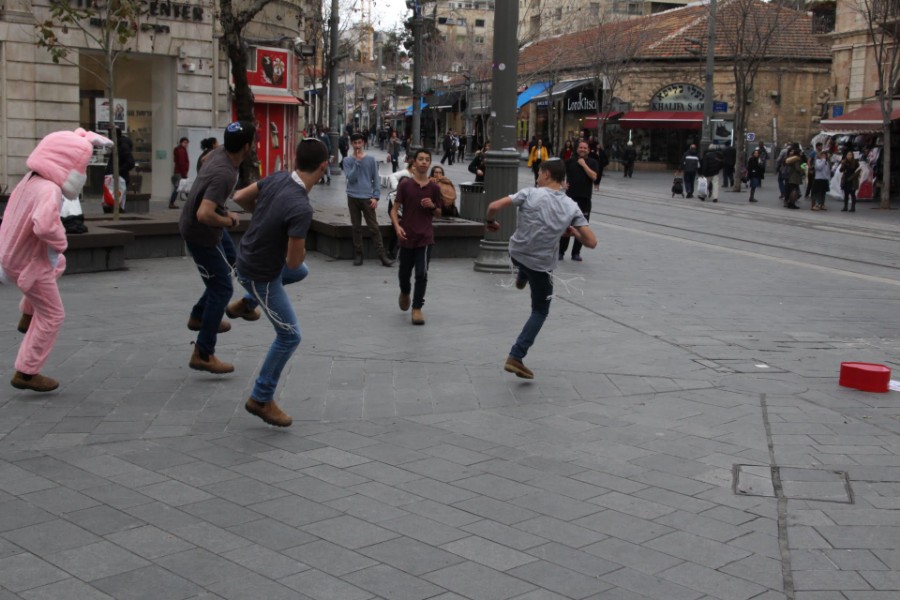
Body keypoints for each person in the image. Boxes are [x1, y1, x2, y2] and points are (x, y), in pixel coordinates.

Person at [0, 128, 111, 392]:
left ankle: (28, 314)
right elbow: (45, 226)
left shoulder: (30, 179)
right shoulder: (49, 189)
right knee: (53, 315)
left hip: (12, 254)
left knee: (57, 264)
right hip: (29, 262)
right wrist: (61, 241)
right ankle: (27, 371)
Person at [226, 139, 326, 427]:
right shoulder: (300, 207)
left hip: (249, 256)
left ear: (296, 160)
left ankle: (246, 304)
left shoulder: (279, 177)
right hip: (259, 272)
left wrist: (264, 216)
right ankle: (261, 397)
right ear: (323, 167)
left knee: (302, 273)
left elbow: (240, 196)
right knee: (290, 335)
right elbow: (292, 261)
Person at [485, 159, 597, 380]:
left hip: (515, 253)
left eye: (538, 173)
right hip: (540, 265)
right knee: (540, 311)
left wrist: (490, 222)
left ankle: (521, 275)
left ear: (546, 174)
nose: (536, 177)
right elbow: (592, 242)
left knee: (524, 261)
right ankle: (516, 356)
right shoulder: (571, 206)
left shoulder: (529, 193)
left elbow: (493, 207)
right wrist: (573, 231)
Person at [179, 121, 256, 375]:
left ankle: (200, 316)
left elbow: (203, 169)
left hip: (208, 229)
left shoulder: (217, 153)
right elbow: (204, 214)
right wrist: (228, 220)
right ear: (246, 147)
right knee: (222, 288)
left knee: (232, 261)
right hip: (200, 232)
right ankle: (203, 352)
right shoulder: (225, 172)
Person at [391, 148, 442, 326]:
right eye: (420, 159)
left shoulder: (434, 188)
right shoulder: (405, 185)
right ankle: (405, 291)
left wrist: (432, 206)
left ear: (429, 163)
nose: (423, 162)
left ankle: (417, 308)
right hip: (406, 236)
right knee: (404, 273)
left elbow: (438, 214)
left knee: (422, 273)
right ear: (414, 162)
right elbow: (394, 209)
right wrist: (397, 227)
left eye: (427, 159)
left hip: (425, 237)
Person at [343, 132, 393, 267]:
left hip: (367, 198)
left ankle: (382, 255)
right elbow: (351, 179)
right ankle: (358, 254)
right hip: (352, 196)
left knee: (374, 227)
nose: (357, 145)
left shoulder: (371, 159)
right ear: (351, 144)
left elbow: (375, 179)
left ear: (363, 143)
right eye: (355, 143)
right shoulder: (347, 161)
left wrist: (376, 196)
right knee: (356, 227)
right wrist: (357, 162)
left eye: (360, 142)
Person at [558, 141, 598, 262]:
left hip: (585, 200)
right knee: (566, 226)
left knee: (581, 227)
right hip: (570, 200)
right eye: (580, 147)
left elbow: (594, 177)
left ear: (588, 150)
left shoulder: (593, 162)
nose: (582, 149)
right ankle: (561, 252)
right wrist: (562, 184)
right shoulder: (570, 162)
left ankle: (576, 252)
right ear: (577, 149)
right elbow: (559, 173)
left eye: (585, 148)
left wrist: (584, 165)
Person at [783, 144, 805, 210]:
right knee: (794, 190)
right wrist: (803, 169)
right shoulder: (798, 159)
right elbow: (798, 168)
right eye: (800, 152)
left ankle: (790, 202)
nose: (801, 153)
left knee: (792, 189)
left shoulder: (793, 159)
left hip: (791, 176)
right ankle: (792, 203)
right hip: (795, 177)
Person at [169, 137, 189, 209]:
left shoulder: (180, 150)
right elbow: (182, 163)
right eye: (184, 142)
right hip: (180, 172)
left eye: (187, 143)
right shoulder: (181, 151)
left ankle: (191, 203)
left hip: (179, 172)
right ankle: (171, 203)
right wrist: (184, 174)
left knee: (184, 188)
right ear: (181, 143)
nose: (186, 144)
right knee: (179, 188)